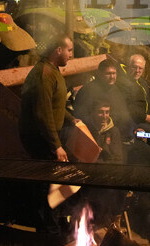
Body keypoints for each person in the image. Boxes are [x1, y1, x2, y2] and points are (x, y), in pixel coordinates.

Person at [19, 34, 76, 162]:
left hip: (48, 137)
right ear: (59, 50)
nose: (71, 55)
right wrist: (56, 146)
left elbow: (55, 104)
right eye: (70, 50)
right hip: (40, 139)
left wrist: (71, 119)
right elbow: (43, 113)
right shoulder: (44, 74)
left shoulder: (53, 70)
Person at [73, 58, 133, 137]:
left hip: (122, 132)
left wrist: (134, 128)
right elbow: (81, 116)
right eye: (108, 74)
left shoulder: (115, 89)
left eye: (114, 73)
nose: (112, 77)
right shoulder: (89, 90)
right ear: (100, 74)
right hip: (100, 135)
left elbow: (125, 114)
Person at [119, 53, 150, 130]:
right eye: (134, 67)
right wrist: (146, 117)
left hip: (146, 117)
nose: (137, 71)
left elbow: (148, 102)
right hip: (134, 122)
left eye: (140, 68)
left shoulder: (142, 82)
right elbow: (128, 108)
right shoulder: (123, 83)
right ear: (128, 67)